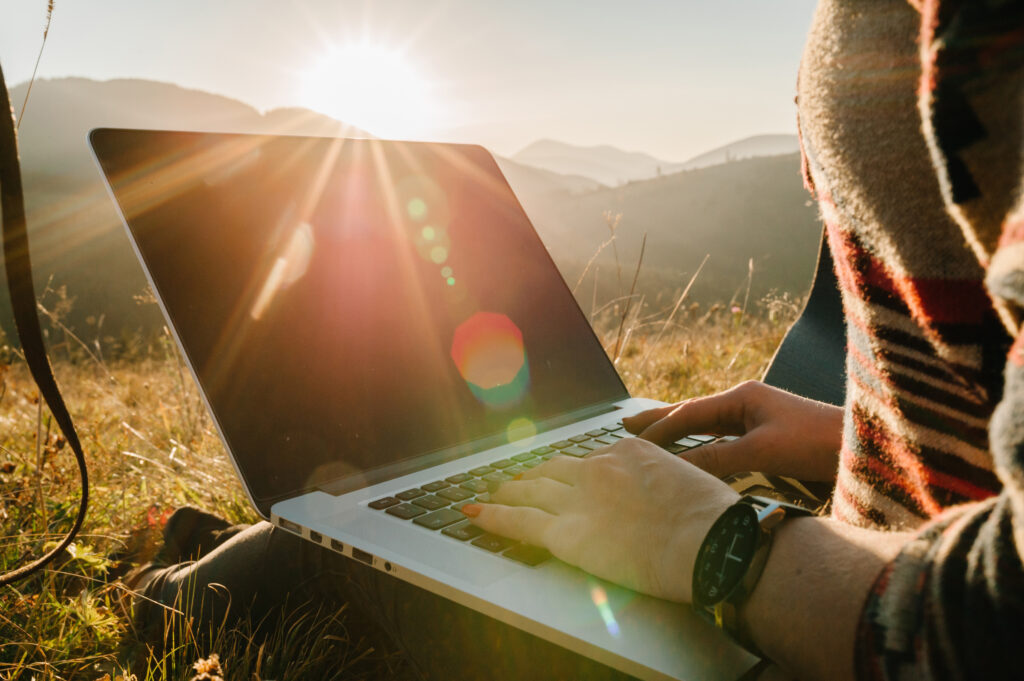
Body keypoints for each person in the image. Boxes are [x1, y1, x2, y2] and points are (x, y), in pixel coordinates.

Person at [126, 1, 1024, 678]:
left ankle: (166, 590)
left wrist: (723, 545)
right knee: (416, 509)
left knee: (330, 549)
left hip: (831, 619)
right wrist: (859, 437)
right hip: (862, 541)